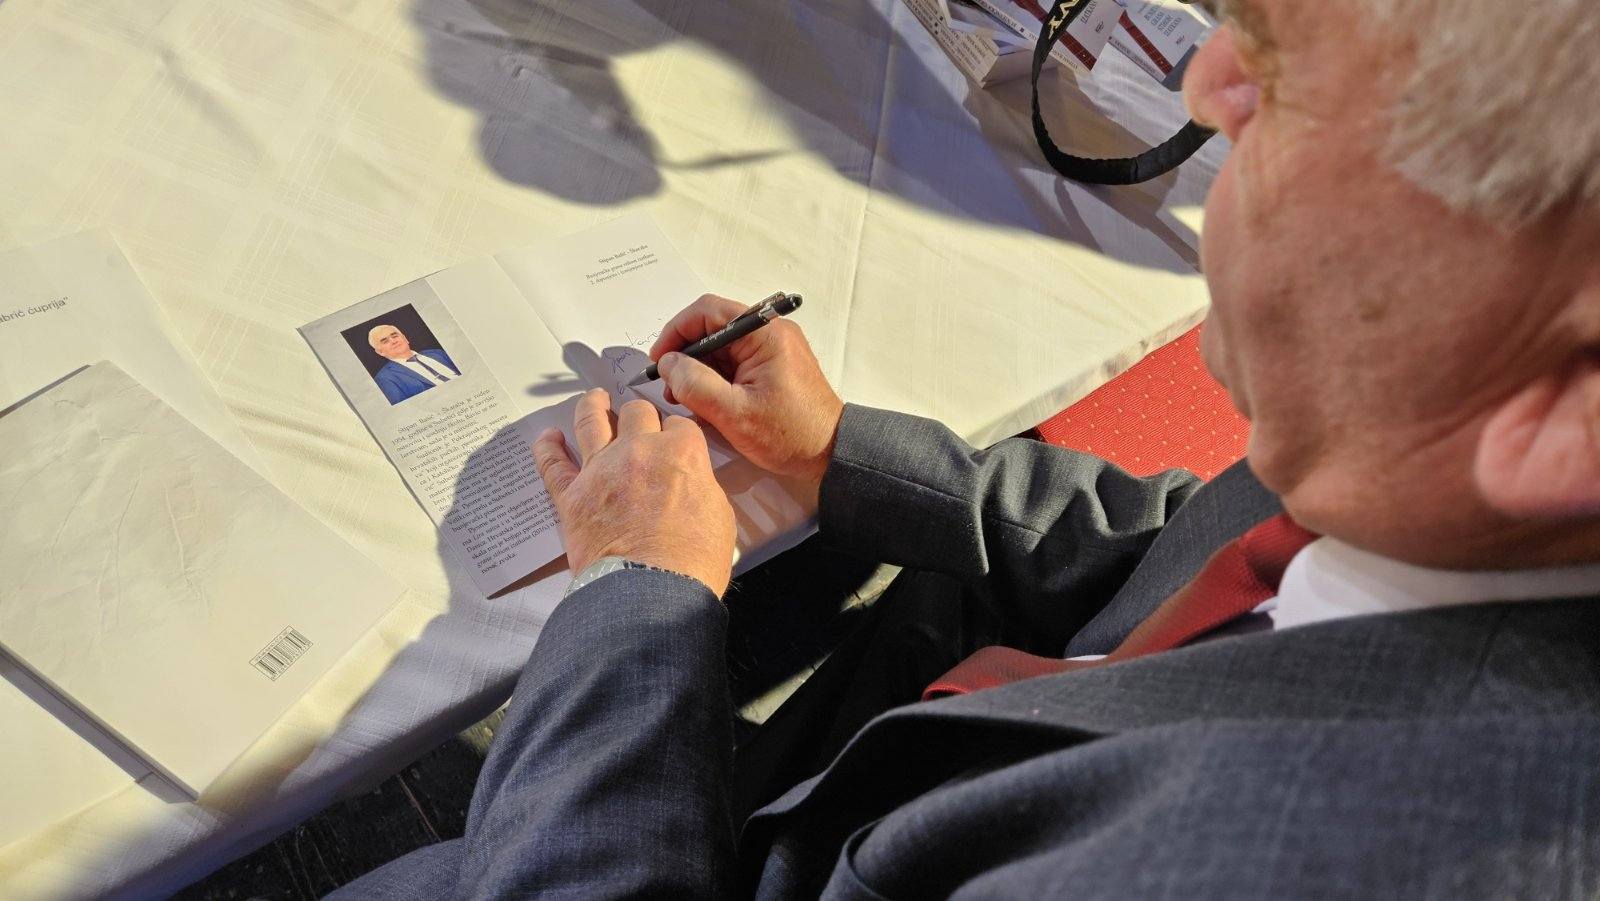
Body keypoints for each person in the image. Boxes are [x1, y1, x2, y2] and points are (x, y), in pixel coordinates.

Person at [334, 0, 1600, 896]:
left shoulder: (1274, 862)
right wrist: (840, 450)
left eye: (1292, 82)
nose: (1205, 86)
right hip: (873, 768)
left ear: (1564, 412)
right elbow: (1168, 549)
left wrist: (636, 601)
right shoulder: (1425, 479)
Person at [367, 323, 461, 405]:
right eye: (385, 341)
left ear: (405, 338)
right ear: (380, 352)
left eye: (395, 336)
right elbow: (405, 409)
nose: (393, 341)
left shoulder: (438, 353)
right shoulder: (384, 378)